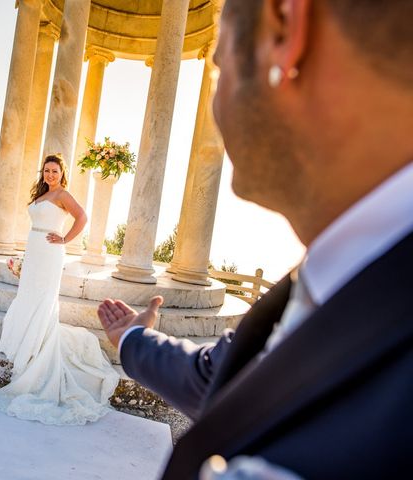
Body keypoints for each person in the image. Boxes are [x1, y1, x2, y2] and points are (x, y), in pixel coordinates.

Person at [98, 0, 413, 478]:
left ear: (283, 30)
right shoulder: (344, 265)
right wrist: (131, 339)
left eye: (218, 66)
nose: (215, 102)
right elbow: (228, 376)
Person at [0, 154, 119, 425]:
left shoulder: (63, 194)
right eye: (47, 170)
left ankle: (37, 343)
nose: (50, 174)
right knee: (28, 293)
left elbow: (82, 217)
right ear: (43, 173)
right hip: (35, 247)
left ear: (62, 173)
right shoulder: (41, 195)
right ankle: (23, 340)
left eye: (55, 171)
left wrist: (65, 238)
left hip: (51, 250)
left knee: (42, 297)